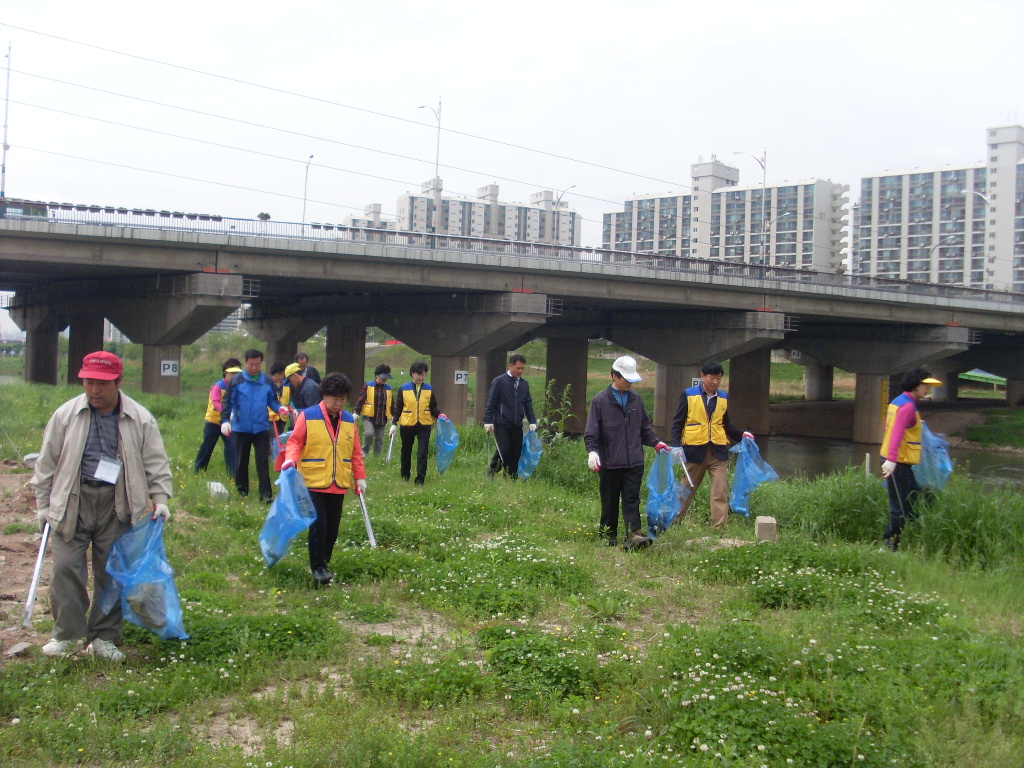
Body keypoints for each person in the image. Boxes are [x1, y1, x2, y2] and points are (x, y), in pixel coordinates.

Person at [32, 351, 174, 661]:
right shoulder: (66, 415)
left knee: (111, 574)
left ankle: (104, 637)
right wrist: (43, 505)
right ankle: (68, 635)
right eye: (89, 382)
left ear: (119, 382)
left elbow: (156, 462)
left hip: (118, 502)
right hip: (73, 500)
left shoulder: (139, 418)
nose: (94, 390)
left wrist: (160, 498)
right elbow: (46, 463)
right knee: (66, 567)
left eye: (102, 384)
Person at [282, 373, 367, 585]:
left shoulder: (349, 420)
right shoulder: (308, 416)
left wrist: (360, 477)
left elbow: (355, 452)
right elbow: (294, 442)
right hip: (313, 481)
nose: (338, 403)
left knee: (333, 527)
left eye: (342, 399)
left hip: (338, 482)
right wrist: (291, 460)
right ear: (324, 396)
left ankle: (325, 562)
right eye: (334, 399)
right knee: (319, 523)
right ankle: (317, 567)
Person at [584, 356, 668, 550]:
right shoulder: (600, 401)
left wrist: (656, 443)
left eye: (632, 379)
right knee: (610, 499)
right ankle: (608, 534)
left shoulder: (636, 400)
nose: (630, 383)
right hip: (610, 461)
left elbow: (645, 428)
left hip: (634, 461)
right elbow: (591, 432)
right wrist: (592, 452)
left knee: (632, 498)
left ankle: (634, 534)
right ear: (615, 376)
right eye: (626, 379)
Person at [670, 360, 752, 529]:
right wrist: (675, 446)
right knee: (686, 489)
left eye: (719, 378)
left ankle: (719, 528)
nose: (715, 382)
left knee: (720, 491)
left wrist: (742, 434)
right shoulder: (688, 395)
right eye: (712, 378)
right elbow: (677, 423)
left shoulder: (723, 397)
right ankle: (672, 522)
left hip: (718, 452)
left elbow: (726, 424)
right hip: (694, 451)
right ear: (703, 377)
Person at [880, 368, 942, 551]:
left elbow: (887, 427)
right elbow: (897, 433)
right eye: (925, 385)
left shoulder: (897, 402)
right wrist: (891, 460)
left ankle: (911, 538)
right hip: (897, 463)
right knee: (899, 507)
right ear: (916, 385)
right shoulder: (908, 406)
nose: (927, 389)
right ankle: (888, 545)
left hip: (898, 461)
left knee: (916, 496)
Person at [221, 349, 289, 502]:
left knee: (262, 461)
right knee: (241, 461)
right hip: (241, 428)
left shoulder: (266, 381)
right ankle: (242, 492)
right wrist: (225, 420)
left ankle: (265, 496)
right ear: (246, 363)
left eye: (257, 365)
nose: (254, 368)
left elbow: (273, 401)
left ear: (261, 363)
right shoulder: (237, 381)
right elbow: (227, 402)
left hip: (261, 427)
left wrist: (281, 409)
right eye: (251, 364)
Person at [484, 353, 538, 479]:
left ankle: (510, 479)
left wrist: (532, 421)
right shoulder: (499, 381)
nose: (520, 371)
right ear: (510, 366)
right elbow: (491, 402)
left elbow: (528, 404)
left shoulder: (524, 384)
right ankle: (492, 472)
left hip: (517, 424)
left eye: (523, 368)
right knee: (505, 451)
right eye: (518, 368)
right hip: (501, 423)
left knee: (516, 453)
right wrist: (488, 420)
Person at [389, 361, 443, 485]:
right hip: (407, 424)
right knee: (406, 451)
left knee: (423, 452)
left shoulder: (429, 389)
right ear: (413, 374)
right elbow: (398, 407)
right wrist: (393, 424)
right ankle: (405, 476)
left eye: (423, 375)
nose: (421, 377)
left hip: (424, 425)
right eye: (419, 374)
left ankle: (420, 479)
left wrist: (439, 415)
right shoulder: (403, 388)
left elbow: (433, 407)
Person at [194, 358, 241, 476]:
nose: (234, 375)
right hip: (213, 422)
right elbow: (216, 402)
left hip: (229, 423)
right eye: (232, 373)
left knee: (232, 447)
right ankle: (199, 470)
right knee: (207, 447)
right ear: (225, 372)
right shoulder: (218, 386)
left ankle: (233, 474)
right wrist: (227, 412)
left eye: (237, 373)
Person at [354, 364, 393, 457]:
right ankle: (364, 452)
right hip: (369, 417)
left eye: (386, 378)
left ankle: (377, 456)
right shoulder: (368, 386)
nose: (384, 380)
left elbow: (392, 403)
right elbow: (361, 400)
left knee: (380, 439)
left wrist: (393, 415)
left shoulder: (388, 388)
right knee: (369, 434)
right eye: (382, 377)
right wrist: (356, 412)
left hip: (382, 418)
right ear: (377, 375)